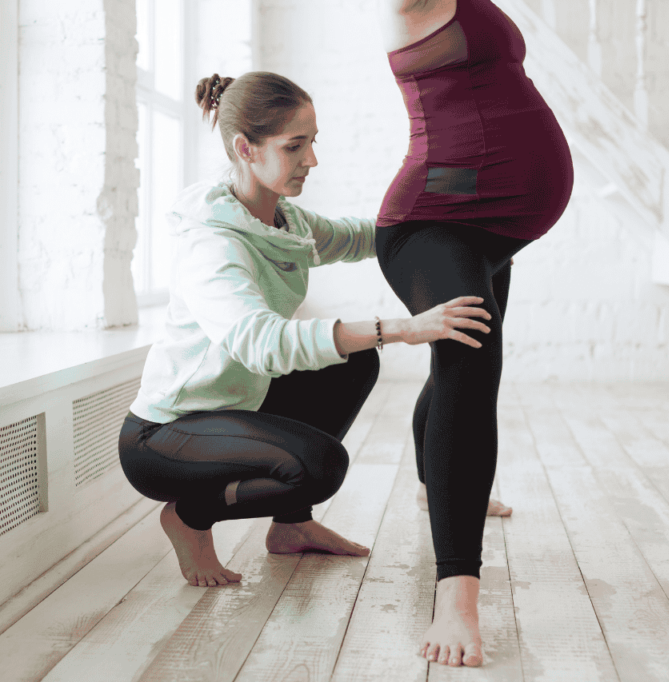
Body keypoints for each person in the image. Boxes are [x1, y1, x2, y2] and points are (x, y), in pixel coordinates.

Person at [118, 71, 494, 589]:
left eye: (312, 143)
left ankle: (291, 527)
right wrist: (404, 328)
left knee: (355, 358)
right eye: (295, 146)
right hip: (165, 436)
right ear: (244, 148)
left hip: (232, 410)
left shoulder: (282, 220)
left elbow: (360, 236)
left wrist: (443, 219)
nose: (311, 160)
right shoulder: (212, 247)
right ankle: (190, 516)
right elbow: (264, 343)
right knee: (319, 468)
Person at [375, 0, 574, 668]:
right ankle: (456, 593)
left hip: (492, 228)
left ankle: (441, 484)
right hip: (433, 218)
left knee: (456, 364)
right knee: (469, 357)